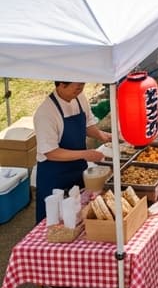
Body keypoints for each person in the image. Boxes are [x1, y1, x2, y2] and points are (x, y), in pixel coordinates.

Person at [33, 81, 112, 220]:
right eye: (77, 87)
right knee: (55, 221)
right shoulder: (45, 114)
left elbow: (87, 126)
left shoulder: (79, 97)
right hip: (55, 177)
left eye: (82, 84)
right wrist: (85, 154)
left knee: (80, 216)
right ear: (61, 84)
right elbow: (51, 152)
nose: (80, 90)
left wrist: (105, 136)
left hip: (78, 171)